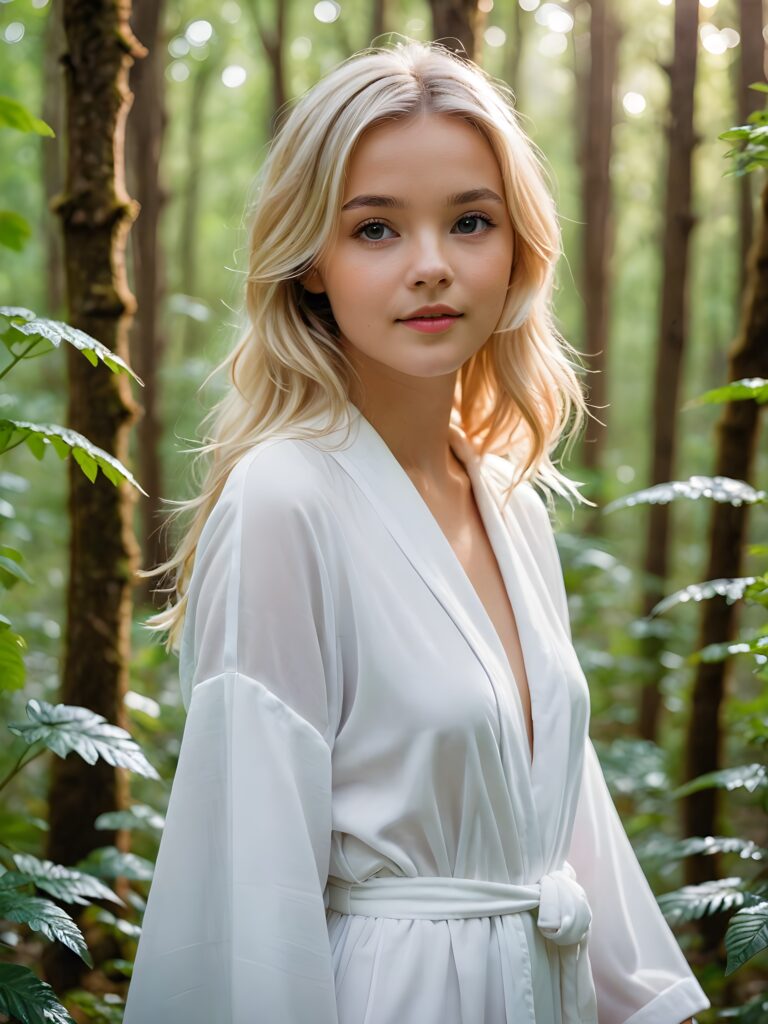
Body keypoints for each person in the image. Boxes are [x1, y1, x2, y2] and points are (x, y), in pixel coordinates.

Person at [124, 37, 710, 1024]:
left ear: (518, 245)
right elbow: (246, 887)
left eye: (470, 221)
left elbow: (563, 839)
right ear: (310, 261)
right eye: (377, 230)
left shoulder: (511, 503)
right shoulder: (284, 499)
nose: (432, 266)